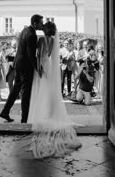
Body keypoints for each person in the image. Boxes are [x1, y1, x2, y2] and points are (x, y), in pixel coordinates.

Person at [21, 21, 82, 159]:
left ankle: (42, 113)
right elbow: (50, 55)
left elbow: (38, 55)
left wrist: (38, 68)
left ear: (45, 30)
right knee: (48, 89)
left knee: (41, 89)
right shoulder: (54, 41)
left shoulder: (42, 39)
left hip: (42, 64)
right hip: (49, 64)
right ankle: (49, 112)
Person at [0, 14, 44, 123]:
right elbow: (31, 54)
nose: (42, 25)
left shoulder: (25, 30)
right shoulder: (32, 35)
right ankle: (24, 119)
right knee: (25, 92)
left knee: (16, 89)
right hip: (25, 66)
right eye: (41, 23)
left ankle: (5, 111)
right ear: (35, 23)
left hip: (18, 63)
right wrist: (38, 67)